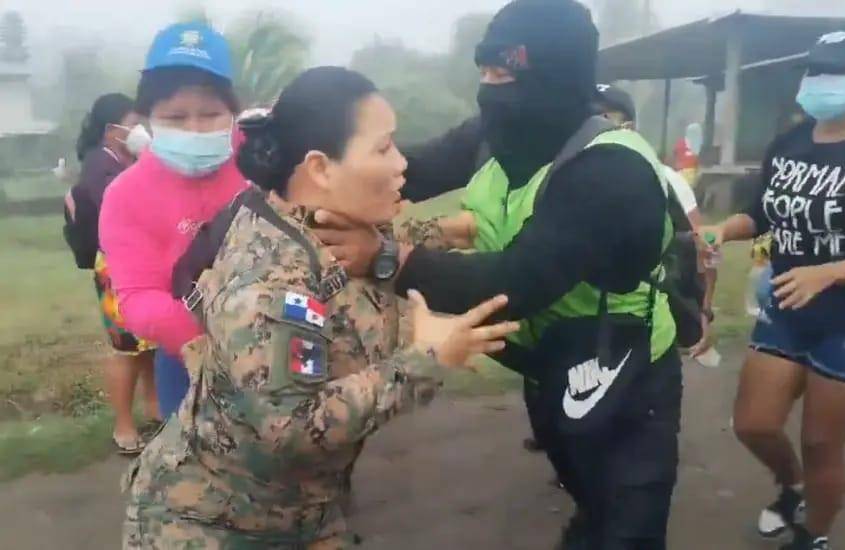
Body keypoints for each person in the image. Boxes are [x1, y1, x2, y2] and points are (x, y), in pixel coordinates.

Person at [316, 1, 683, 547]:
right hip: (550, 362)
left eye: (504, 74)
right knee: (585, 484)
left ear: (558, 75)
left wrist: (385, 259)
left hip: (627, 369)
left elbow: (516, 284)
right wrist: (321, 171)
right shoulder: (494, 133)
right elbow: (408, 171)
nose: (489, 90)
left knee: (629, 522)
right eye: (483, 72)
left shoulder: (612, 167)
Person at [121, 66, 518, 549]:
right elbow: (291, 430)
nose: (402, 164)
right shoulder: (268, 288)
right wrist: (426, 359)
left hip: (301, 509)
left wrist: (447, 232)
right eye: (383, 149)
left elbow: (357, 249)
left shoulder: (308, 216)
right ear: (320, 169)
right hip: (213, 526)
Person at [701, 32, 845, 550]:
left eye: (836, 72)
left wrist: (829, 272)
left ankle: (814, 535)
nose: (819, 83)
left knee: (821, 443)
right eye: (814, 71)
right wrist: (722, 230)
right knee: (754, 424)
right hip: (787, 308)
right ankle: (794, 488)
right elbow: (761, 213)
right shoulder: (790, 141)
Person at [99, 22, 249, 419]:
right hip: (187, 355)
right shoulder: (126, 195)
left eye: (211, 114)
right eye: (176, 116)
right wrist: (222, 345)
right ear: (149, 118)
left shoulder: (261, 160)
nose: (194, 129)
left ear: (233, 113)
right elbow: (138, 298)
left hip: (283, 340)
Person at [63, 93, 158, 454]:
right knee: (126, 349)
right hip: (116, 268)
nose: (139, 130)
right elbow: (125, 207)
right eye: (133, 124)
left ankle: (154, 409)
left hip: (139, 263)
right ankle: (123, 425)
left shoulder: (121, 159)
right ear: (111, 130)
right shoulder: (99, 165)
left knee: (148, 344)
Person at [594, 83, 718, 360]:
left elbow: (705, 245)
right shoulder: (561, 177)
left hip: (648, 325)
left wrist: (704, 310)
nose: (592, 126)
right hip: (580, 327)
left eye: (603, 117)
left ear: (628, 126)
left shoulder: (665, 179)